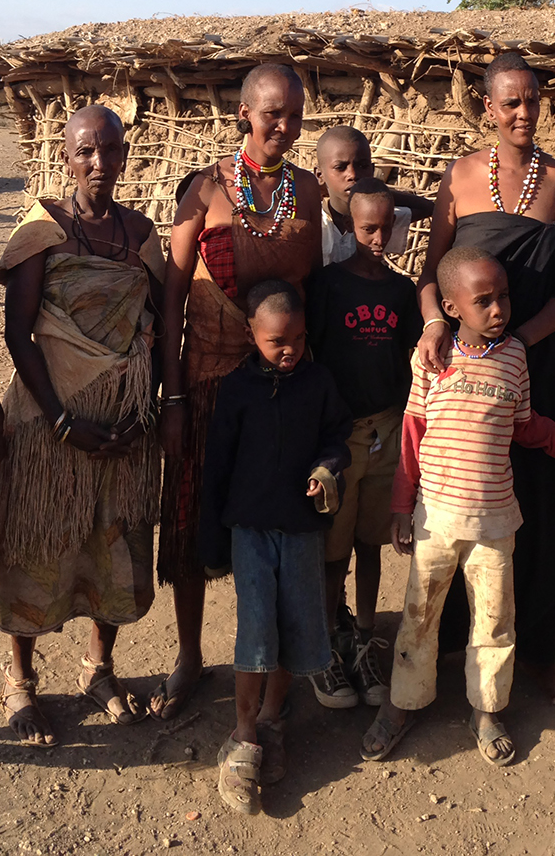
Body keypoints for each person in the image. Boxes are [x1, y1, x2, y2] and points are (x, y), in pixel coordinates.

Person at [362, 248, 555, 767]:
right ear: (451, 306)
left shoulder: (514, 358)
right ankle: (402, 705)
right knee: (419, 617)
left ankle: (486, 711)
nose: (498, 310)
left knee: (494, 621)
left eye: (503, 297)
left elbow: (526, 426)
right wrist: (402, 507)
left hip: (495, 522)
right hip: (436, 519)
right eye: (482, 301)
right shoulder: (432, 359)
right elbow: (412, 435)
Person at [0, 105, 165, 744]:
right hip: (47, 422)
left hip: (121, 427)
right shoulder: (42, 230)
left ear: (124, 156)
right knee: (38, 543)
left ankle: (100, 667)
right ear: (65, 155)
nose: (98, 163)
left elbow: (160, 326)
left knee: (111, 544)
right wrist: (62, 421)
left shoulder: (141, 236)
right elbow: (18, 333)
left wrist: (148, 410)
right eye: (85, 151)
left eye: (110, 151)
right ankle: (21, 681)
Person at [413, 52, 555, 706]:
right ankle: (452, 644)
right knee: (460, 500)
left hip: (534, 366)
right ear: (487, 107)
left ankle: (539, 652)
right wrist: (435, 323)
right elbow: (433, 273)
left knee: (537, 509)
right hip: (464, 371)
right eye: (510, 102)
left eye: (533, 100)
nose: (523, 112)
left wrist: (517, 341)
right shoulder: (458, 177)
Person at [157, 62, 323, 718]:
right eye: (272, 112)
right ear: (244, 117)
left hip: (279, 396)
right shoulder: (205, 190)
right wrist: (172, 398)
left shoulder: (307, 192)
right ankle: (192, 655)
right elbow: (172, 298)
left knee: (274, 528)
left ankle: (272, 660)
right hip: (206, 384)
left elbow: (312, 291)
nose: (284, 125)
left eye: (295, 114)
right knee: (192, 523)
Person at [201, 279, 352, 815]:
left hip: (303, 530)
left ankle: (271, 719)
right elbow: (217, 466)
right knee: (256, 627)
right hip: (251, 532)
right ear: (251, 336)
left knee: (293, 626)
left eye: (296, 337)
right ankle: (243, 736)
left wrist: (327, 467)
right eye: (274, 341)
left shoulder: (318, 383)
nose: (288, 349)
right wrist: (212, 538)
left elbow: (339, 437)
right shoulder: (237, 390)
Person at [305, 178, 420, 709]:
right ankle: (328, 642)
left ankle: (366, 639)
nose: (377, 238)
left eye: (385, 227)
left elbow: (409, 356)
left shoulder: (401, 291)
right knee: (333, 550)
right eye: (366, 227)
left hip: (386, 430)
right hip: (340, 437)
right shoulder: (327, 286)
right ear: (349, 227)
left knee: (370, 542)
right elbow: (315, 357)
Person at [315, 123, 434, 265]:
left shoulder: (378, 219)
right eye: (340, 167)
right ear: (320, 175)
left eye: (362, 166)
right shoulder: (315, 221)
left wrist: (376, 193)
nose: (353, 175)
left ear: (372, 170)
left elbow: (427, 207)